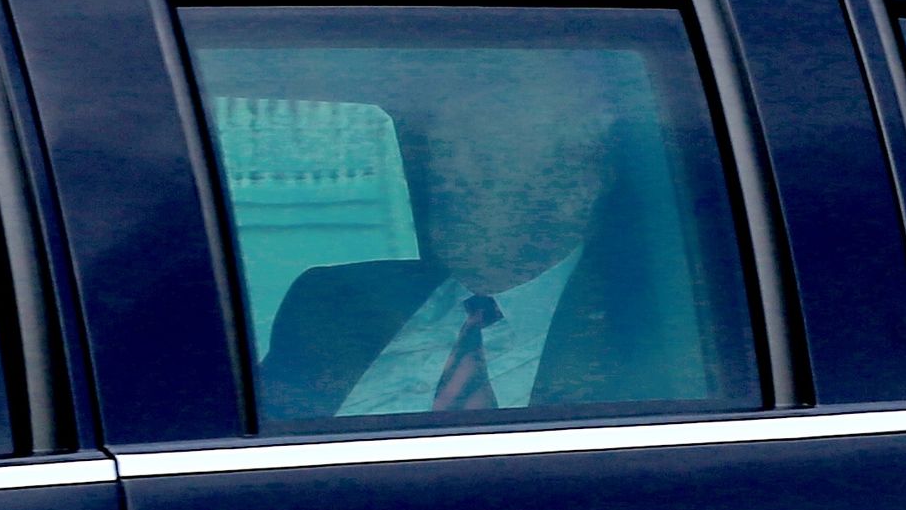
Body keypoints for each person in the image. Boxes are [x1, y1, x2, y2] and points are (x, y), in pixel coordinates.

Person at [257, 70, 663, 419]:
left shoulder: (657, 333)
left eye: (484, 160)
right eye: (442, 154)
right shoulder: (331, 306)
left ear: (576, 189)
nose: (448, 178)